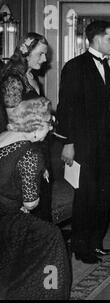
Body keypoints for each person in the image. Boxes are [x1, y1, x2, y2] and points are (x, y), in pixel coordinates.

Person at [57, 20, 110, 264]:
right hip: (82, 142)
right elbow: (66, 107)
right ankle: (81, 248)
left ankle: (96, 243)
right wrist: (68, 142)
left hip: (103, 141)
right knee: (86, 195)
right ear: (96, 39)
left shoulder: (107, 66)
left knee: (103, 193)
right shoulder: (75, 67)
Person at [0, 96, 71, 299]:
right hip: (7, 221)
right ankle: (49, 293)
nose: (50, 128)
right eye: (49, 123)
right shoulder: (31, 153)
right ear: (36, 125)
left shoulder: (4, 136)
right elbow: (31, 203)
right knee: (52, 237)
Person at [0, 33, 53, 223]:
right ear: (26, 53)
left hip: (39, 146)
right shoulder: (13, 80)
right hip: (21, 153)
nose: (45, 59)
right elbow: (13, 122)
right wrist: (44, 121)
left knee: (42, 209)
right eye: (40, 54)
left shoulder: (31, 77)